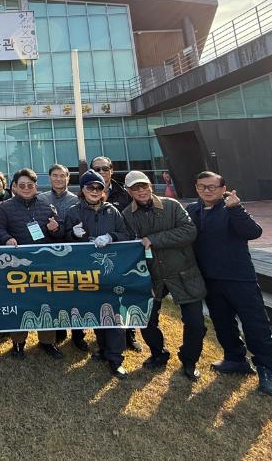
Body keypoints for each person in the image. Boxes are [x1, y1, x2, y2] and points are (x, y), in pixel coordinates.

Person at [188, 172, 272, 395]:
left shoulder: (231, 208)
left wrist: (236, 209)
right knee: (222, 322)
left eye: (212, 187)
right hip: (210, 279)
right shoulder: (192, 210)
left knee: (255, 325)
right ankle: (235, 358)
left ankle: (267, 370)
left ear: (223, 189)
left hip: (239, 278)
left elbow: (254, 232)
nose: (206, 190)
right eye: (202, 186)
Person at [121, 171, 206, 381]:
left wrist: (154, 239)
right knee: (147, 319)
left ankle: (189, 360)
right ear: (129, 191)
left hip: (183, 272)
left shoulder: (172, 205)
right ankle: (158, 353)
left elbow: (189, 231)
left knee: (195, 323)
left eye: (143, 186)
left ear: (150, 185)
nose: (141, 191)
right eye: (135, 188)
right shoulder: (126, 215)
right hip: (152, 276)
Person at [62, 169, 132, 378]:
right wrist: (73, 235)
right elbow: (64, 241)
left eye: (98, 187)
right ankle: (102, 349)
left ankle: (116, 358)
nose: (94, 191)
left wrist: (111, 237)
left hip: (110, 271)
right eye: (90, 187)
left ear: (103, 190)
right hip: (85, 272)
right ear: (82, 190)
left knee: (114, 313)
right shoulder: (73, 211)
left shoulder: (112, 211)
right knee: (97, 311)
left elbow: (126, 235)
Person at [0, 168, 65, 360]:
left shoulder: (46, 205)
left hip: (43, 264)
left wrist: (55, 228)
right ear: (14, 187)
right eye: (22, 185)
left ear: (35, 186)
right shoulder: (5, 207)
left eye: (30, 185)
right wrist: (6, 239)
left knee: (46, 303)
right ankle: (18, 343)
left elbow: (59, 232)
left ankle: (48, 341)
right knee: (19, 304)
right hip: (17, 265)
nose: (26, 188)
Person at [90, 156, 141, 351]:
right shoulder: (87, 192)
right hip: (98, 257)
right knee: (100, 297)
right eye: (97, 169)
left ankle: (129, 334)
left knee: (124, 296)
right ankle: (102, 339)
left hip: (123, 254)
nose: (101, 172)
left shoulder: (124, 194)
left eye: (105, 168)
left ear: (111, 170)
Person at [38, 164, 82, 348]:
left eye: (62, 175)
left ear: (68, 178)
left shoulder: (76, 200)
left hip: (72, 252)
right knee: (53, 293)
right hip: (48, 253)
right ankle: (58, 332)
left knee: (75, 294)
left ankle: (78, 335)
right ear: (49, 178)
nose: (58, 179)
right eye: (55, 175)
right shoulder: (41, 199)